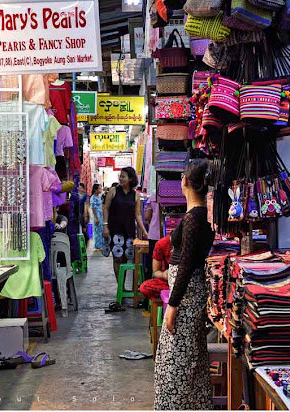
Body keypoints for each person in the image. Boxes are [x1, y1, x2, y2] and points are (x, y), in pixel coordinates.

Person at [154, 160, 215, 410]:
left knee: (176, 361)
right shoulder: (201, 215)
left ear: (185, 182)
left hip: (187, 295)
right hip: (190, 291)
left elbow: (188, 263)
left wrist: (173, 304)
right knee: (191, 359)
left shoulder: (194, 217)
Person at [103, 167, 148, 282]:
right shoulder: (113, 191)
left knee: (126, 258)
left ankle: (122, 284)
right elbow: (106, 208)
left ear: (131, 179)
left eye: (123, 176)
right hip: (114, 229)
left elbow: (137, 215)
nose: (121, 178)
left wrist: (144, 231)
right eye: (120, 176)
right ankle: (119, 285)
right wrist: (105, 225)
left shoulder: (135, 195)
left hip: (129, 230)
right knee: (117, 257)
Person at [139, 235, 171, 302]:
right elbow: (156, 271)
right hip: (169, 283)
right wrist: (163, 275)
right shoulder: (163, 243)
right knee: (145, 287)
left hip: (189, 284)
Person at [89, 184, 104, 250]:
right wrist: (96, 218)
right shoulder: (93, 197)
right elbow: (93, 208)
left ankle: (100, 245)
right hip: (96, 215)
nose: (100, 190)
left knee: (100, 230)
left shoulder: (98, 196)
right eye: (99, 189)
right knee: (97, 231)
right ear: (95, 189)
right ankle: (97, 245)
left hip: (100, 215)